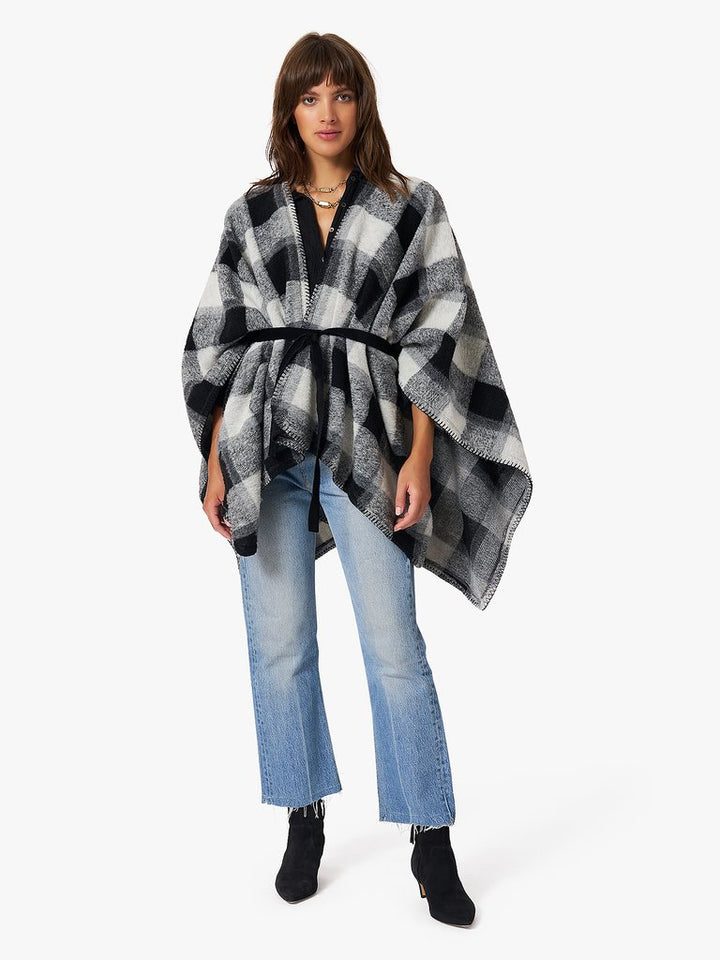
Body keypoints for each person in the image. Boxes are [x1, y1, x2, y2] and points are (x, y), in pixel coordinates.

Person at [182, 31, 532, 927]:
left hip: (371, 441)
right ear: (289, 111)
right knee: (279, 645)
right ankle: (302, 815)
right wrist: (215, 459)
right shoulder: (252, 212)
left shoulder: (410, 205)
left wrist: (419, 455)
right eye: (310, 98)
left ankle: (430, 837)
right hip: (264, 441)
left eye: (342, 94)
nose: (327, 112)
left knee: (395, 648)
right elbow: (220, 340)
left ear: (362, 104)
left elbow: (437, 334)